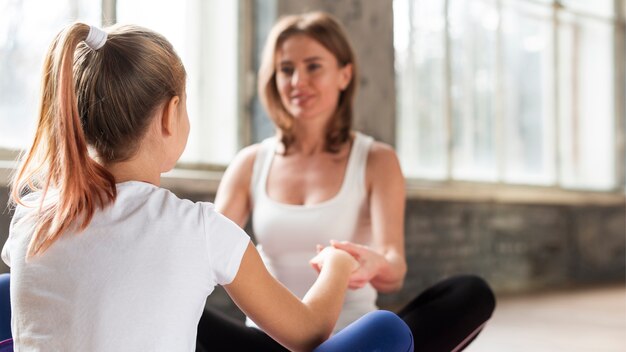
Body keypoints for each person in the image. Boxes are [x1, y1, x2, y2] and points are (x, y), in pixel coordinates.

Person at [1, 22, 368, 352]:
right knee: (387, 328)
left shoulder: (31, 217)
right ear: (169, 114)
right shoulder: (200, 228)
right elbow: (308, 333)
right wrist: (338, 263)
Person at [202, 11, 496, 352]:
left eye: (313, 66)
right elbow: (207, 252)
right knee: (189, 316)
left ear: (344, 75)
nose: (298, 81)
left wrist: (374, 262)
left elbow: (394, 268)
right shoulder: (250, 163)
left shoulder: (376, 160)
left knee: (469, 293)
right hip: (266, 342)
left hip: (355, 336)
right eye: (286, 69)